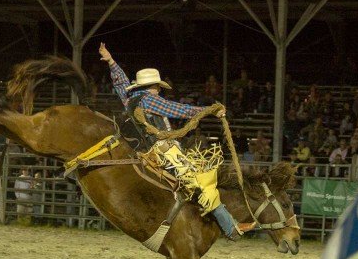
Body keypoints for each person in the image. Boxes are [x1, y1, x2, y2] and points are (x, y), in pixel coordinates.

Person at [99, 43, 255, 240]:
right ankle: (230, 227)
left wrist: (111, 61)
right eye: (157, 87)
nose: (158, 90)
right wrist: (210, 110)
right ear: (153, 87)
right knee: (201, 181)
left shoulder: (130, 99)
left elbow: (121, 84)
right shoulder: (149, 100)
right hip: (164, 151)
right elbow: (179, 110)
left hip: (148, 151)